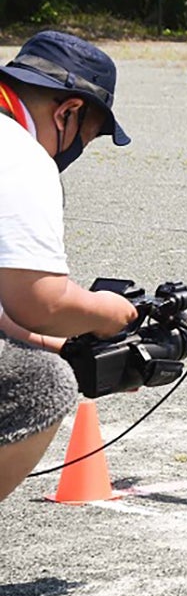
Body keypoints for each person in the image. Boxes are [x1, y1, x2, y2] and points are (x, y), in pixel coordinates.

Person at [0, 31, 140, 501]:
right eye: (90, 134)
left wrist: (64, 345)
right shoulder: (20, 154)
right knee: (43, 384)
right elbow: (41, 300)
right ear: (67, 111)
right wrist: (112, 314)